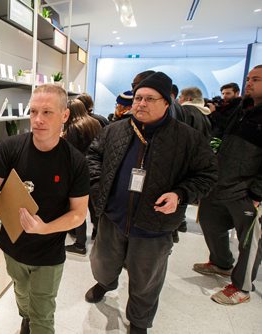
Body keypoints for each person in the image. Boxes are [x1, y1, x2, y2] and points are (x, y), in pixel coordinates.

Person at [85, 72, 217, 334]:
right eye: (138, 98)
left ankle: (139, 321)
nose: (141, 104)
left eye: (149, 98)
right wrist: (100, 187)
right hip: (113, 217)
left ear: (167, 102)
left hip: (154, 225)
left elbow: (207, 175)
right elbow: (92, 157)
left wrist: (180, 195)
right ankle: (106, 283)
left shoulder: (187, 138)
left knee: (146, 280)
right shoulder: (115, 130)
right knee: (102, 262)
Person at [0, 83, 90, 334]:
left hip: (48, 255)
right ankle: (25, 316)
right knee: (21, 295)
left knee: (43, 316)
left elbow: (79, 214)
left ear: (64, 115)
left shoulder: (75, 162)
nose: (37, 120)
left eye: (47, 112)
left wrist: (45, 228)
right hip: (12, 248)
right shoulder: (11, 147)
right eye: (33, 112)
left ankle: (33, 322)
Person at [194, 65, 262, 305]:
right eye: (248, 78)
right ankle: (222, 263)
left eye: (256, 79)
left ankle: (242, 287)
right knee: (210, 221)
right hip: (221, 181)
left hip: (246, 189)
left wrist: (256, 192)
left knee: (249, 240)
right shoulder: (241, 108)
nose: (250, 83)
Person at [63, 98, 101, 255]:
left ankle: (79, 244)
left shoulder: (73, 128)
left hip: (79, 172)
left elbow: (71, 154)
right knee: (93, 207)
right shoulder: (94, 123)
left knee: (77, 209)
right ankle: (97, 235)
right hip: (95, 170)